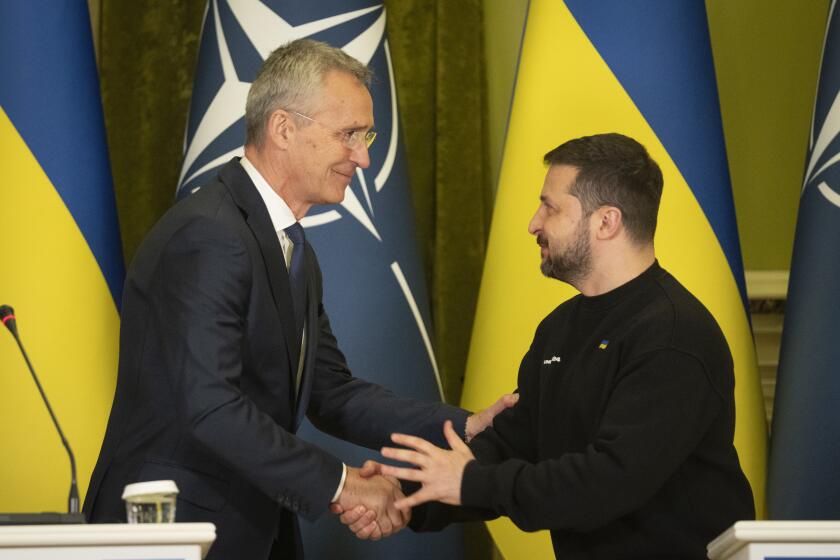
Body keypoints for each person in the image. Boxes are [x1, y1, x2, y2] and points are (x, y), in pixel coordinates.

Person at [83, 38, 513, 560]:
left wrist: (461, 427)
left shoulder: (291, 248)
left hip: (251, 527)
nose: (364, 156)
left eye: (366, 135)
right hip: (174, 528)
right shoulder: (211, 235)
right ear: (284, 128)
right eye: (349, 134)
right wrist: (343, 483)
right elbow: (210, 406)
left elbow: (331, 393)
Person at [340, 133, 756, 558]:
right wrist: (402, 491)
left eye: (550, 207)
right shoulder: (559, 328)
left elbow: (607, 482)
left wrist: (468, 481)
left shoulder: (673, 336)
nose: (534, 223)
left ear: (606, 222)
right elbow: (512, 444)